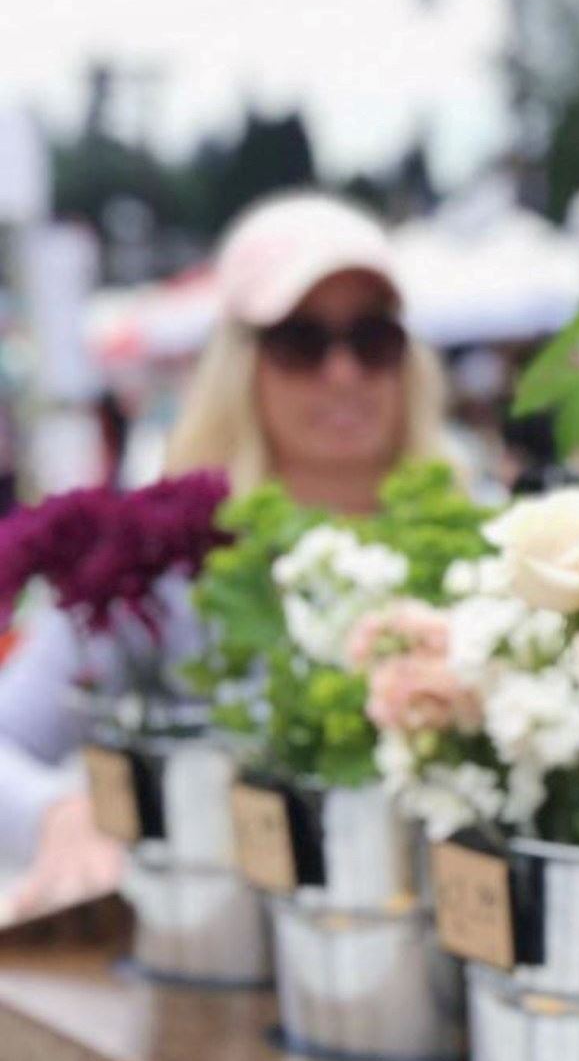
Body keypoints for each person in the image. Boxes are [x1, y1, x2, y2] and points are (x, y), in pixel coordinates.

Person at [0, 192, 450, 917]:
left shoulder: (480, 548)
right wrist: (56, 813)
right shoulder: (161, 563)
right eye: (301, 342)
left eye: (372, 339)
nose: (343, 373)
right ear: (241, 365)